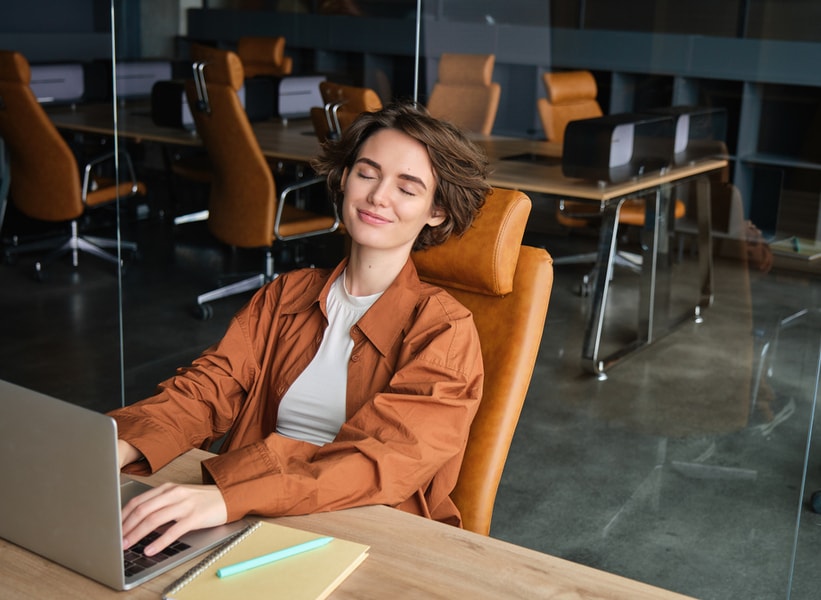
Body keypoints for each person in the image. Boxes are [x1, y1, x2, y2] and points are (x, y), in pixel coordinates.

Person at [110, 101, 491, 557]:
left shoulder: (444, 331)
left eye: (407, 188)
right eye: (367, 173)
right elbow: (209, 388)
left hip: (368, 530)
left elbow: (380, 463)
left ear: (437, 212)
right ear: (344, 179)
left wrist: (232, 497)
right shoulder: (286, 294)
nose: (378, 196)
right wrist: (120, 442)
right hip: (248, 512)